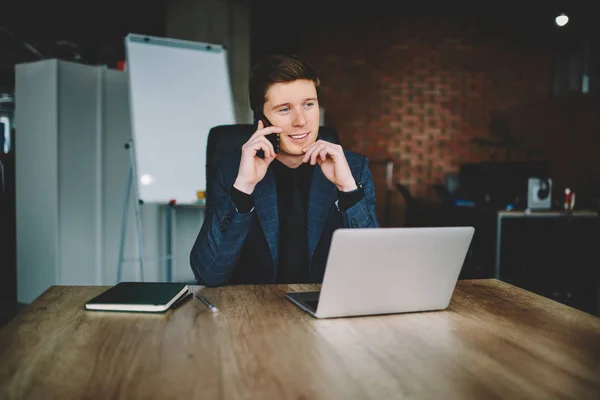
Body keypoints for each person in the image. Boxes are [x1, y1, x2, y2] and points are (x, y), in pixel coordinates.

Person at [190, 54, 379, 286]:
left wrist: (348, 190)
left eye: (309, 105)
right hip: (254, 312)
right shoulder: (231, 171)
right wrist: (244, 188)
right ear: (261, 119)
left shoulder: (354, 168)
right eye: (284, 109)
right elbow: (208, 274)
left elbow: (374, 269)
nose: (301, 121)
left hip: (326, 309)